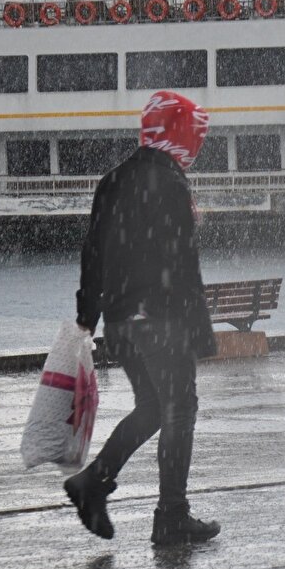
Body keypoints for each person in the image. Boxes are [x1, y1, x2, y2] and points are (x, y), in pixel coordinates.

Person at [64, 90, 221, 545]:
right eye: (193, 134)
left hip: (121, 322)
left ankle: (93, 481)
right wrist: (200, 331)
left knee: (153, 407)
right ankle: (171, 516)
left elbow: (92, 253)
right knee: (180, 412)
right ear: (179, 133)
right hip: (161, 320)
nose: (197, 144)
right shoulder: (170, 183)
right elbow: (182, 263)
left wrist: (88, 315)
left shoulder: (113, 180)